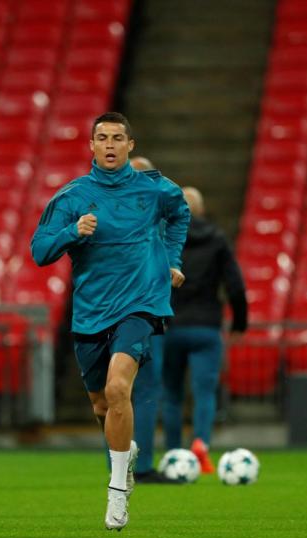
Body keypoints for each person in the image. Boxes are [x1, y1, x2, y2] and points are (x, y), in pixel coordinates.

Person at [32, 113, 190, 530]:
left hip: (141, 304)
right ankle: (126, 451)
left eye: (117, 138)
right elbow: (39, 250)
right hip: (91, 312)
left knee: (120, 387)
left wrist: (171, 260)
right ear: (91, 146)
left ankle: (118, 489)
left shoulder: (155, 188)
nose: (109, 145)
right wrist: (72, 232)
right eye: (101, 138)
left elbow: (180, 215)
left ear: (130, 146)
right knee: (103, 405)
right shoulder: (71, 197)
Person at [161, 186, 247, 473]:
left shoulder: (163, 238)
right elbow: (235, 284)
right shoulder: (217, 239)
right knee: (204, 393)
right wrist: (239, 323)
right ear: (200, 210)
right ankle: (200, 446)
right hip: (206, 328)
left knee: (171, 394)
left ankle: (174, 453)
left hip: (170, 326)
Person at [125, 155, 178, 484]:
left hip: (104, 315)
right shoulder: (155, 223)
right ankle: (140, 467)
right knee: (143, 390)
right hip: (142, 314)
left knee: (113, 393)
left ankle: (116, 465)